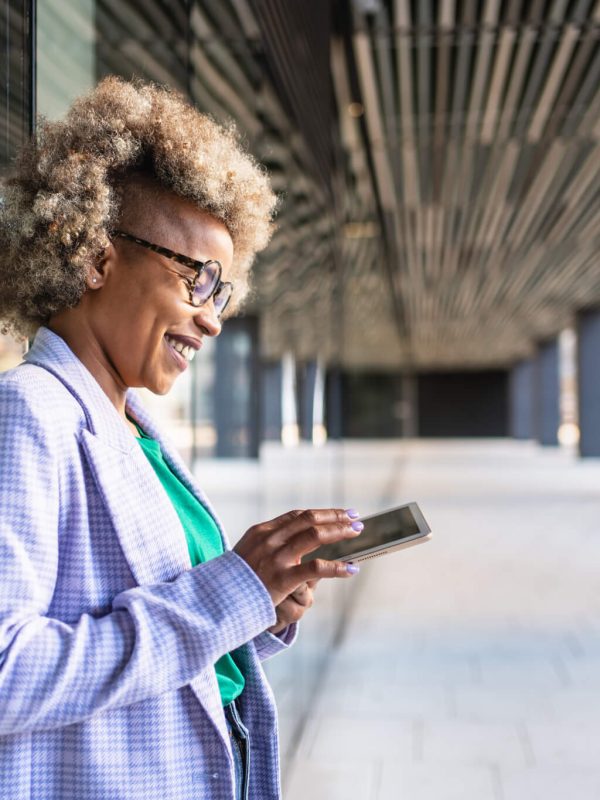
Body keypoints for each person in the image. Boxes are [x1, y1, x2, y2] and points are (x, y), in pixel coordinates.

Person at [0, 77, 363, 800]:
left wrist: (259, 606)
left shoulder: (135, 428)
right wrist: (226, 593)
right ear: (97, 257)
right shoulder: (28, 415)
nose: (213, 317)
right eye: (195, 277)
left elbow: (172, 633)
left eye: (222, 291)